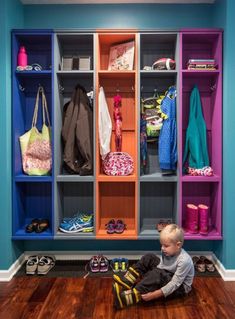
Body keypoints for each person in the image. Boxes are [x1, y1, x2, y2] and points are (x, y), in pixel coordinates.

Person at [112, 224, 194, 309]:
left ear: (178, 245)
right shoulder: (167, 251)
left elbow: (174, 284)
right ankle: (127, 282)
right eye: (161, 245)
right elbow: (162, 266)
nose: (162, 248)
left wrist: (154, 295)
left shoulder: (184, 260)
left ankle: (129, 296)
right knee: (149, 257)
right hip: (168, 274)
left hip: (179, 288)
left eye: (166, 246)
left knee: (157, 274)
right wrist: (152, 275)